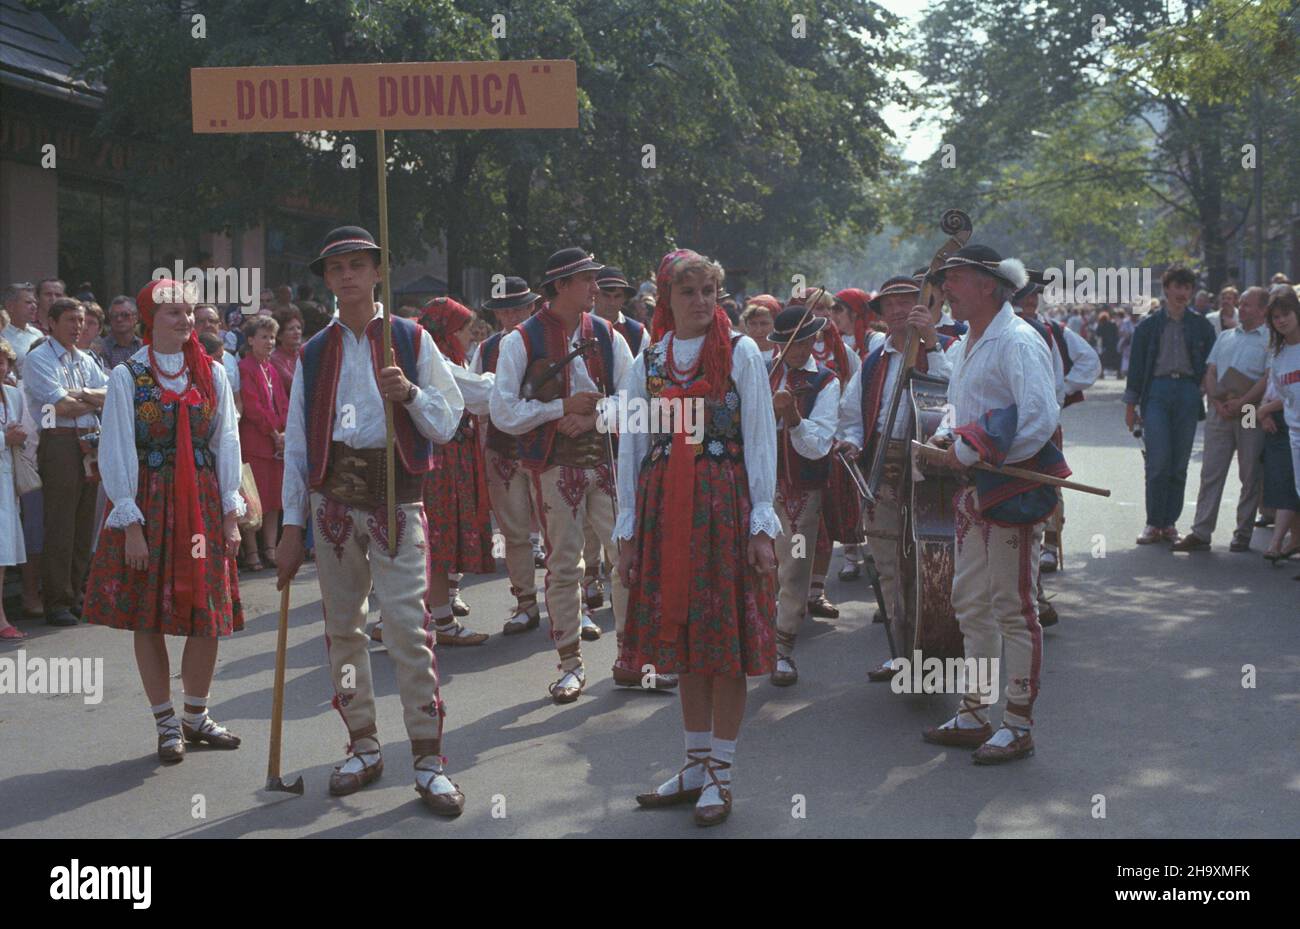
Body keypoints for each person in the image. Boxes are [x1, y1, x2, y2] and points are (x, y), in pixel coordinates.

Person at [277, 225, 468, 816]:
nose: (347, 276)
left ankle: (430, 758)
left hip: (397, 498)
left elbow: (449, 420)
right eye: (336, 269)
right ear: (329, 281)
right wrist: (289, 527)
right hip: (331, 504)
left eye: (357, 264)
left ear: (377, 271)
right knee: (343, 632)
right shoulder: (313, 352)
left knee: (408, 629)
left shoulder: (411, 341)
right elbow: (297, 448)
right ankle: (362, 743)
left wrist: (408, 392)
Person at [618, 248, 778, 825]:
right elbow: (632, 448)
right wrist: (628, 529)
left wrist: (763, 522)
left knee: (725, 643)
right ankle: (693, 762)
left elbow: (761, 437)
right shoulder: (649, 359)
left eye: (709, 291)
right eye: (689, 293)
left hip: (723, 507)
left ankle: (722, 772)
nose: (702, 302)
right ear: (668, 300)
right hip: (667, 508)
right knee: (686, 643)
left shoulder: (741, 353)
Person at [489, 248, 667, 701]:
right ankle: (570, 664)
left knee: (625, 558)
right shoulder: (521, 340)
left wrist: (592, 418)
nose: (596, 288)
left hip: (608, 462)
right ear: (563, 285)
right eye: (588, 280)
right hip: (552, 465)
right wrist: (558, 409)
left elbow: (637, 401)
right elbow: (503, 412)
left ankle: (630, 658)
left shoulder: (611, 335)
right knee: (564, 564)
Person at [83, 279, 245, 764]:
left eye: (190, 312)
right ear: (152, 319)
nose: (186, 320)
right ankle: (166, 721)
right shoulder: (127, 374)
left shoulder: (210, 372)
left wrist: (231, 513)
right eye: (174, 312)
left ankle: (196, 715)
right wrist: (129, 522)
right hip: (149, 503)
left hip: (200, 501)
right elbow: (115, 446)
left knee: (208, 611)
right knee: (146, 614)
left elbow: (226, 441)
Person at [921, 245, 1063, 765]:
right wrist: (945, 439)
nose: (946, 291)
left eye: (953, 279)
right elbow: (959, 406)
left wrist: (972, 452)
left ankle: (1018, 723)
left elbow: (1039, 419)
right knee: (970, 601)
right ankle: (976, 710)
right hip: (975, 491)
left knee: (1013, 607)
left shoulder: (1018, 340)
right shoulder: (968, 341)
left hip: (1010, 492)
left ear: (987, 284)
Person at [836, 275, 951, 676]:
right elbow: (851, 417)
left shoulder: (945, 351)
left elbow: (953, 393)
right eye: (891, 305)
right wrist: (851, 442)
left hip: (929, 471)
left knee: (928, 562)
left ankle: (931, 647)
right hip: (881, 465)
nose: (900, 311)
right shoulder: (873, 361)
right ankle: (901, 651)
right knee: (887, 563)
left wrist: (932, 343)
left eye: (910, 302)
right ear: (881, 314)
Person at [408, 297, 492, 646]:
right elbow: (480, 392)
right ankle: (441, 622)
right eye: (464, 331)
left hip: (450, 460)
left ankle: (407, 618)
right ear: (446, 331)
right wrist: (520, 382)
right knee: (436, 542)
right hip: (439, 465)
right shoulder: (438, 361)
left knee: (436, 542)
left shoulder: (446, 358)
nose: (470, 338)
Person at [765, 306, 840, 687]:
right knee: (759, 566)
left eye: (804, 341)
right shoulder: (761, 374)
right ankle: (757, 642)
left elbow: (819, 445)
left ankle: (782, 650)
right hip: (762, 488)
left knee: (794, 567)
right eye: (789, 343)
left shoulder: (827, 382)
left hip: (800, 492)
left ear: (813, 341)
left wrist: (792, 417)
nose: (797, 349)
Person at [23, 297, 108, 626]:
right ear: (52, 323)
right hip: (58, 441)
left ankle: (77, 593)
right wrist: (90, 397)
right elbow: (61, 407)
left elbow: (111, 393)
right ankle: (57, 600)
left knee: (85, 520)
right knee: (60, 522)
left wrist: (80, 395)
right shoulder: (39, 359)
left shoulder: (85, 359)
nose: (78, 327)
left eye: (82, 320)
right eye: (71, 320)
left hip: (90, 442)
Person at [1173, 286, 1270, 553]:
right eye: (1241, 303)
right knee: (1211, 471)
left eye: (1248, 304)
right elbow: (1211, 370)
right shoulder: (1225, 336)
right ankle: (1201, 531)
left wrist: (1242, 402)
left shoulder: (1270, 339)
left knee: (1249, 471)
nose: (1242, 307)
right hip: (1220, 409)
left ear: (1263, 309)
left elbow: (1267, 378)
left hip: (1249, 410)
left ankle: (1242, 533)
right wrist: (1216, 401)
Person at [1124, 266, 1217, 545]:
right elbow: (1136, 368)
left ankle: (1170, 523)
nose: (1183, 293)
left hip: (1188, 392)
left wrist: (1208, 391)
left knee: (1179, 463)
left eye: (1187, 288)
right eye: (1178, 287)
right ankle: (1153, 522)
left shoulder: (1201, 325)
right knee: (1158, 460)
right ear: (1166, 289)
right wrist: (1131, 407)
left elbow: (1213, 364)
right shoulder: (1148, 326)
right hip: (1157, 392)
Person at [473, 277, 546, 632]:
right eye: (504, 310)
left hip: (546, 448)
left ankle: (575, 605)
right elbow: (474, 397)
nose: (511, 316)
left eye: (517, 308)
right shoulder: (486, 349)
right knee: (514, 532)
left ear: (532, 307)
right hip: (501, 449)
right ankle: (526, 602)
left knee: (561, 531)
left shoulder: (548, 341)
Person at [801, 289, 861, 611]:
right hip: (790, 451)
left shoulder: (844, 353)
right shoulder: (786, 350)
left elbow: (852, 401)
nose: (819, 314)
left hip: (829, 448)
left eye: (826, 308)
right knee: (794, 524)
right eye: (811, 308)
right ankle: (791, 591)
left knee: (824, 521)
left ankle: (816, 590)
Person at [239, 315, 288, 570]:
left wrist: (283, 432)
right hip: (256, 441)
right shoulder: (245, 367)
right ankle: (252, 551)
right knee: (252, 497)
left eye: (271, 337)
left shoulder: (272, 369)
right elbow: (252, 406)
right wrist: (273, 432)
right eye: (264, 337)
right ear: (250, 340)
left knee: (273, 499)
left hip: (275, 444)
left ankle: (270, 547)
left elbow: (283, 403)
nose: (269, 342)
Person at [1257, 287, 1300, 574]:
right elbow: (1281, 395)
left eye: (1285, 314)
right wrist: (1260, 414)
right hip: (1294, 434)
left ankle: (1281, 542)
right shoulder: (1278, 354)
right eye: (1275, 317)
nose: (1281, 320)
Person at [0, 338, 37, 641]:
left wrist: (18, 438)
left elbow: (21, 435)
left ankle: (0, 617)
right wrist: (5, 440)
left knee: (3, 550)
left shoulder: (13, 394)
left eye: (3, 361)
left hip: (6, 482)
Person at [194, 303, 240, 415]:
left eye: (212, 320)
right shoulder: (183, 356)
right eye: (200, 321)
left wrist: (233, 421)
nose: (207, 325)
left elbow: (237, 400)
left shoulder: (230, 359)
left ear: (219, 325)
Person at [1, 283, 42, 376]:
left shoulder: (38, 334)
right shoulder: (3, 338)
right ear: (10, 306)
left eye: (35, 302)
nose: (34, 307)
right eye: (28, 302)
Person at [97, 296, 144, 371]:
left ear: (136, 318)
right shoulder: (101, 349)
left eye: (125, 315)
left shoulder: (144, 347)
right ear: (110, 319)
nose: (119, 319)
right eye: (114, 315)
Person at [270, 306, 305, 393]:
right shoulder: (275, 359)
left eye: (299, 328)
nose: (297, 332)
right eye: (291, 329)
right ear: (279, 335)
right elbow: (293, 384)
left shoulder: (304, 354)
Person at [77, 301, 108, 371]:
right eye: (81, 321)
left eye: (91, 323)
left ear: (99, 329)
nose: (85, 327)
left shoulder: (97, 360)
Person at [1095, 310, 1121, 377]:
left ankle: (1101, 373)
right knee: (1115, 359)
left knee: (1103, 360)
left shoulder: (1100, 326)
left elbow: (1098, 335)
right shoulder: (1113, 324)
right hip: (1113, 345)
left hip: (1105, 345)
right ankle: (1119, 373)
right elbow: (1117, 334)